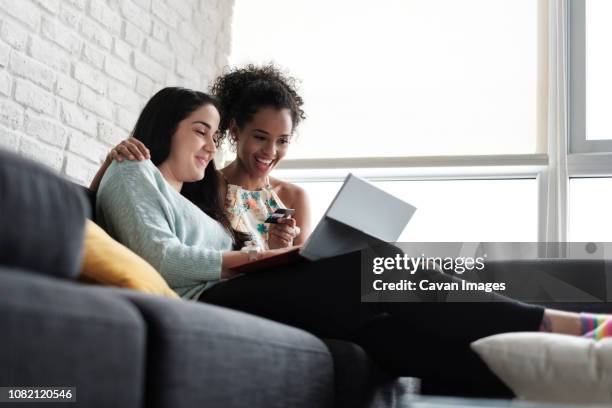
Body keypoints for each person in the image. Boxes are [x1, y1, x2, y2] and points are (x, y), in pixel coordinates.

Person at [97, 86, 612, 398]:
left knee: (383, 331)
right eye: (201, 132)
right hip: (203, 300)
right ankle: (562, 322)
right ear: (165, 128)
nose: (212, 146)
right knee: (369, 267)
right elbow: (161, 257)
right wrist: (258, 257)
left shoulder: (188, 194)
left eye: (214, 136)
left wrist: (276, 252)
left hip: (231, 290)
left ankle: (558, 382)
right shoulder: (132, 170)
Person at [91, 64, 310, 252]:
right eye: (260, 137)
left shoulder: (293, 198)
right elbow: (109, 206)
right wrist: (113, 160)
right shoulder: (202, 183)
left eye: (283, 141)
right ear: (235, 130)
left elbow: (301, 271)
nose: (271, 151)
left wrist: (280, 249)